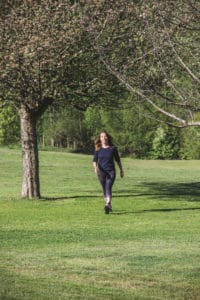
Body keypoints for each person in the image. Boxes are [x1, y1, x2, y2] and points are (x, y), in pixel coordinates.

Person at [93, 131, 124, 214]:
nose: (103, 138)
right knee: (104, 188)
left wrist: (121, 170)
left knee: (108, 187)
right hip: (101, 172)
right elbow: (94, 160)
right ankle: (108, 204)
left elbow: (118, 160)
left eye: (105, 136)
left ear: (108, 137)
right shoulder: (98, 148)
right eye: (101, 136)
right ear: (100, 138)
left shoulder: (113, 148)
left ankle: (107, 204)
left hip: (111, 171)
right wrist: (95, 168)